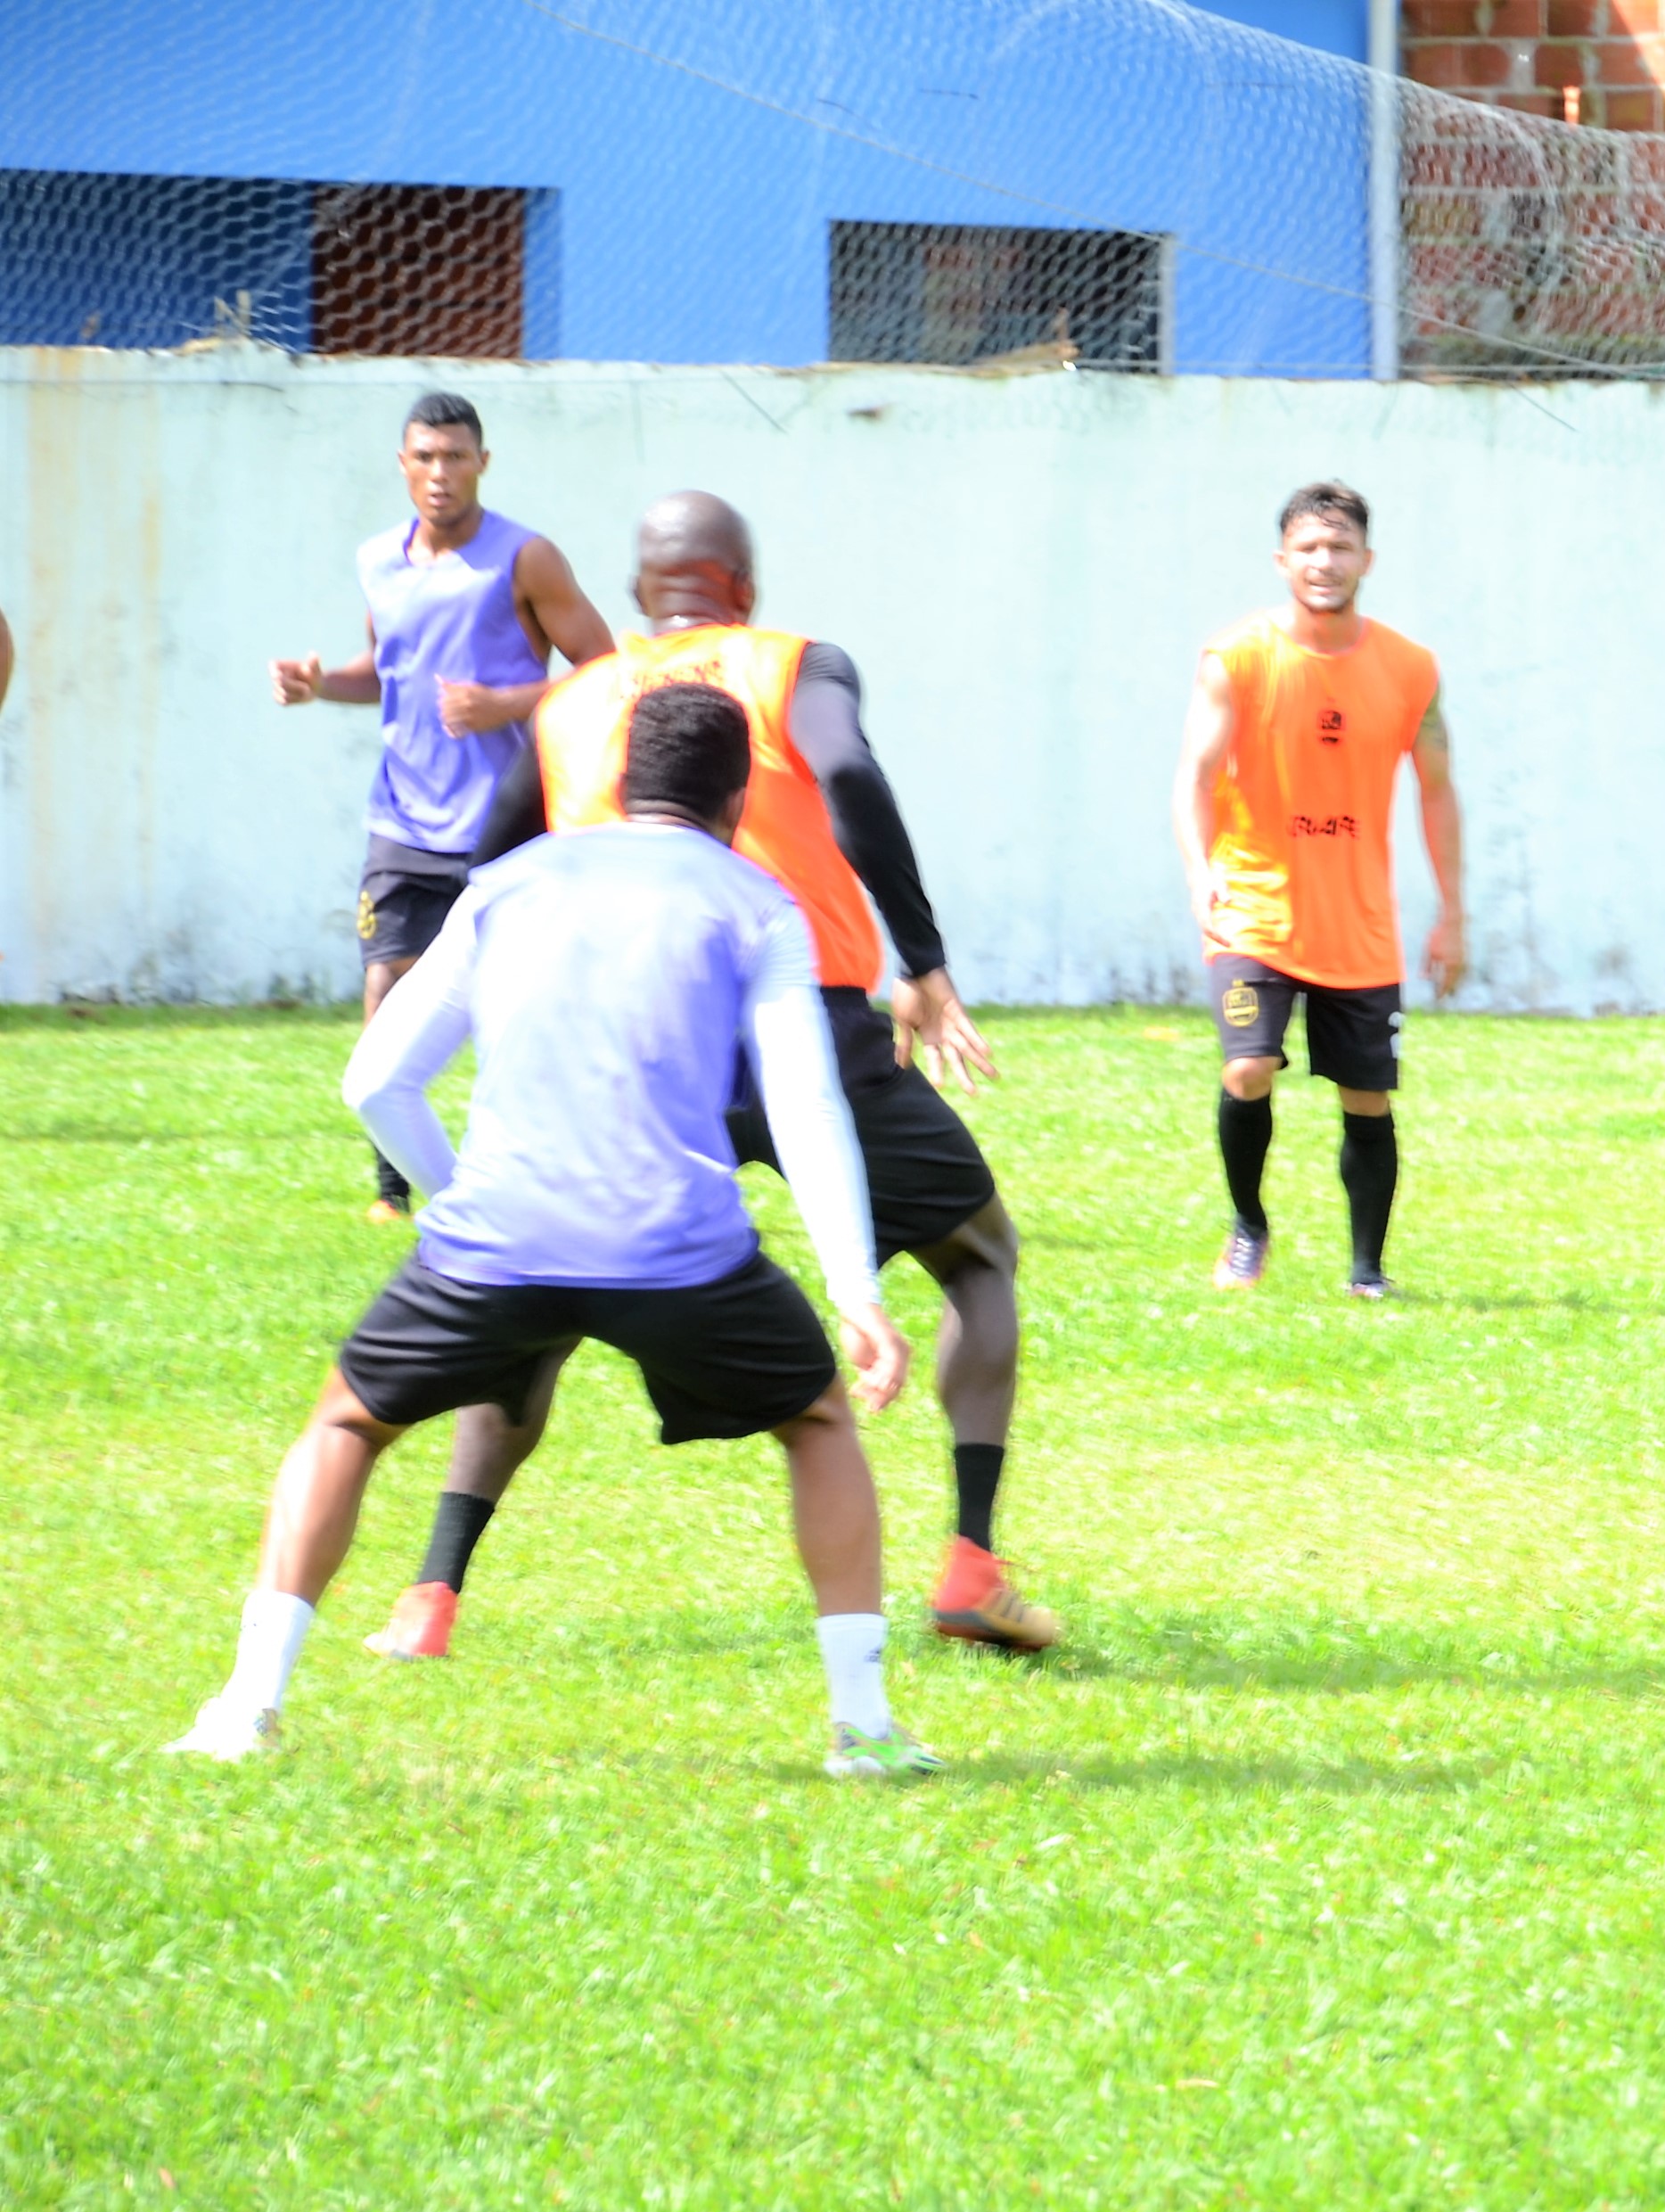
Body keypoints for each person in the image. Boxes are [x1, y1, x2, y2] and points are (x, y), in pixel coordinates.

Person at [165, 685, 939, 1777]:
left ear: (622, 777)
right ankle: (861, 1728)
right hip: (679, 1253)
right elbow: (807, 1104)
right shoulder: (760, 905)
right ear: (740, 794)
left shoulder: (505, 884)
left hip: (492, 1243)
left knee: (346, 1426)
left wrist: (455, 1202)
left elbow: (377, 1078)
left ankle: (248, 1706)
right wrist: (857, 1290)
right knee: (816, 1424)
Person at [396, 490, 1059, 1662]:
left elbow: (490, 861)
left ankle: (432, 1596)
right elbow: (848, 777)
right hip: (808, 1020)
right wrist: (927, 963)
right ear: (740, 588)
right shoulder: (790, 662)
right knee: (980, 1256)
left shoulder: (573, 700)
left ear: (643, 594)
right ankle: (970, 1567)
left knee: (541, 1299)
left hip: (635, 1043)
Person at [270, 391, 613, 1214]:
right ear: (402, 464)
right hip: (401, 820)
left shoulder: (527, 558)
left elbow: (606, 670)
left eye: (456, 456)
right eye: (424, 456)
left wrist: (507, 703)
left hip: (506, 823)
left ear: (482, 464)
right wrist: (322, 686)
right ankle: (394, 1189)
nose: (440, 473)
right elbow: (385, 671)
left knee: (512, 1007)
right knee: (385, 983)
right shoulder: (377, 561)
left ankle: (525, 1163)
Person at [1170, 480, 1467, 1296]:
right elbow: (1193, 779)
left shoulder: (1411, 670)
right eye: (1308, 548)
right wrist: (1203, 878)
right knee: (1248, 1070)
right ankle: (1248, 1229)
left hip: (1358, 924)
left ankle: (1368, 1272)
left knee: (1368, 1098)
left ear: (1366, 560)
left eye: (1339, 548)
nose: (1324, 562)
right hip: (1254, 909)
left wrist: (1452, 914)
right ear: (1281, 561)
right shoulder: (1235, 658)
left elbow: (1438, 790)